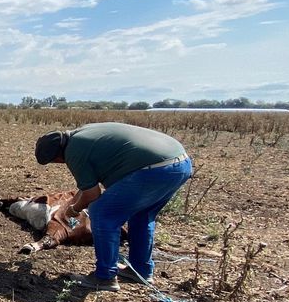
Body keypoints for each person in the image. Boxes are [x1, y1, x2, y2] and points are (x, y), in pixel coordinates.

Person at [32, 122, 193, 291]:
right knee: (142, 215)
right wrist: (75, 204)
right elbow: (88, 186)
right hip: (180, 164)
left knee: (101, 213)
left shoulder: (73, 152)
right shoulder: (82, 135)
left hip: (154, 170)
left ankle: (105, 277)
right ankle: (140, 270)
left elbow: (92, 195)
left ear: (58, 157)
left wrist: (74, 209)